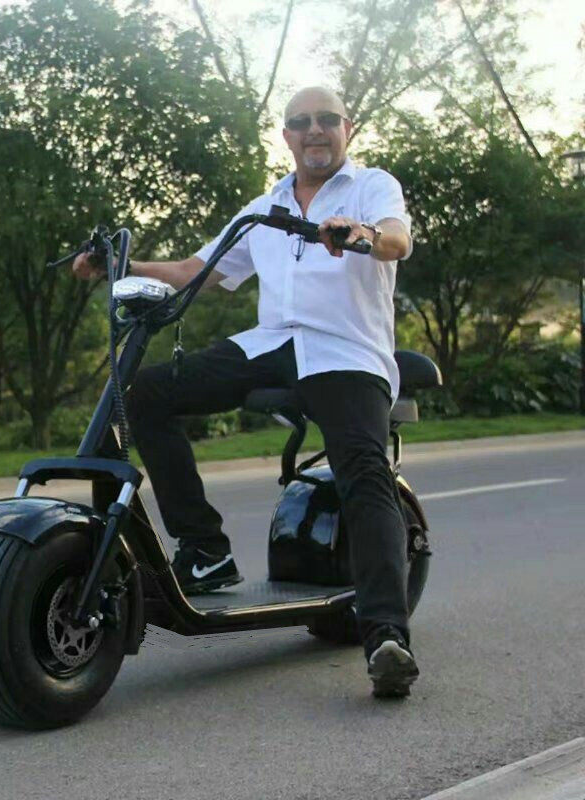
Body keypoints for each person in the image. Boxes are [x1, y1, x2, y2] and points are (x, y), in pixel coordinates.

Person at [73, 86, 419, 697]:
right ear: (286, 136)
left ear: (348, 128)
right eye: (301, 122)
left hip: (345, 351)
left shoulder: (371, 187)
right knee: (145, 393)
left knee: (363, 470)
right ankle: (205, 550)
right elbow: (195, 272)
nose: (314, 130)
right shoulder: (266, 207)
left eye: (327, 120)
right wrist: (120, 266)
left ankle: (387, 636)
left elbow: (397, 239)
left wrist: (358, 234)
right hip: (271, 344)